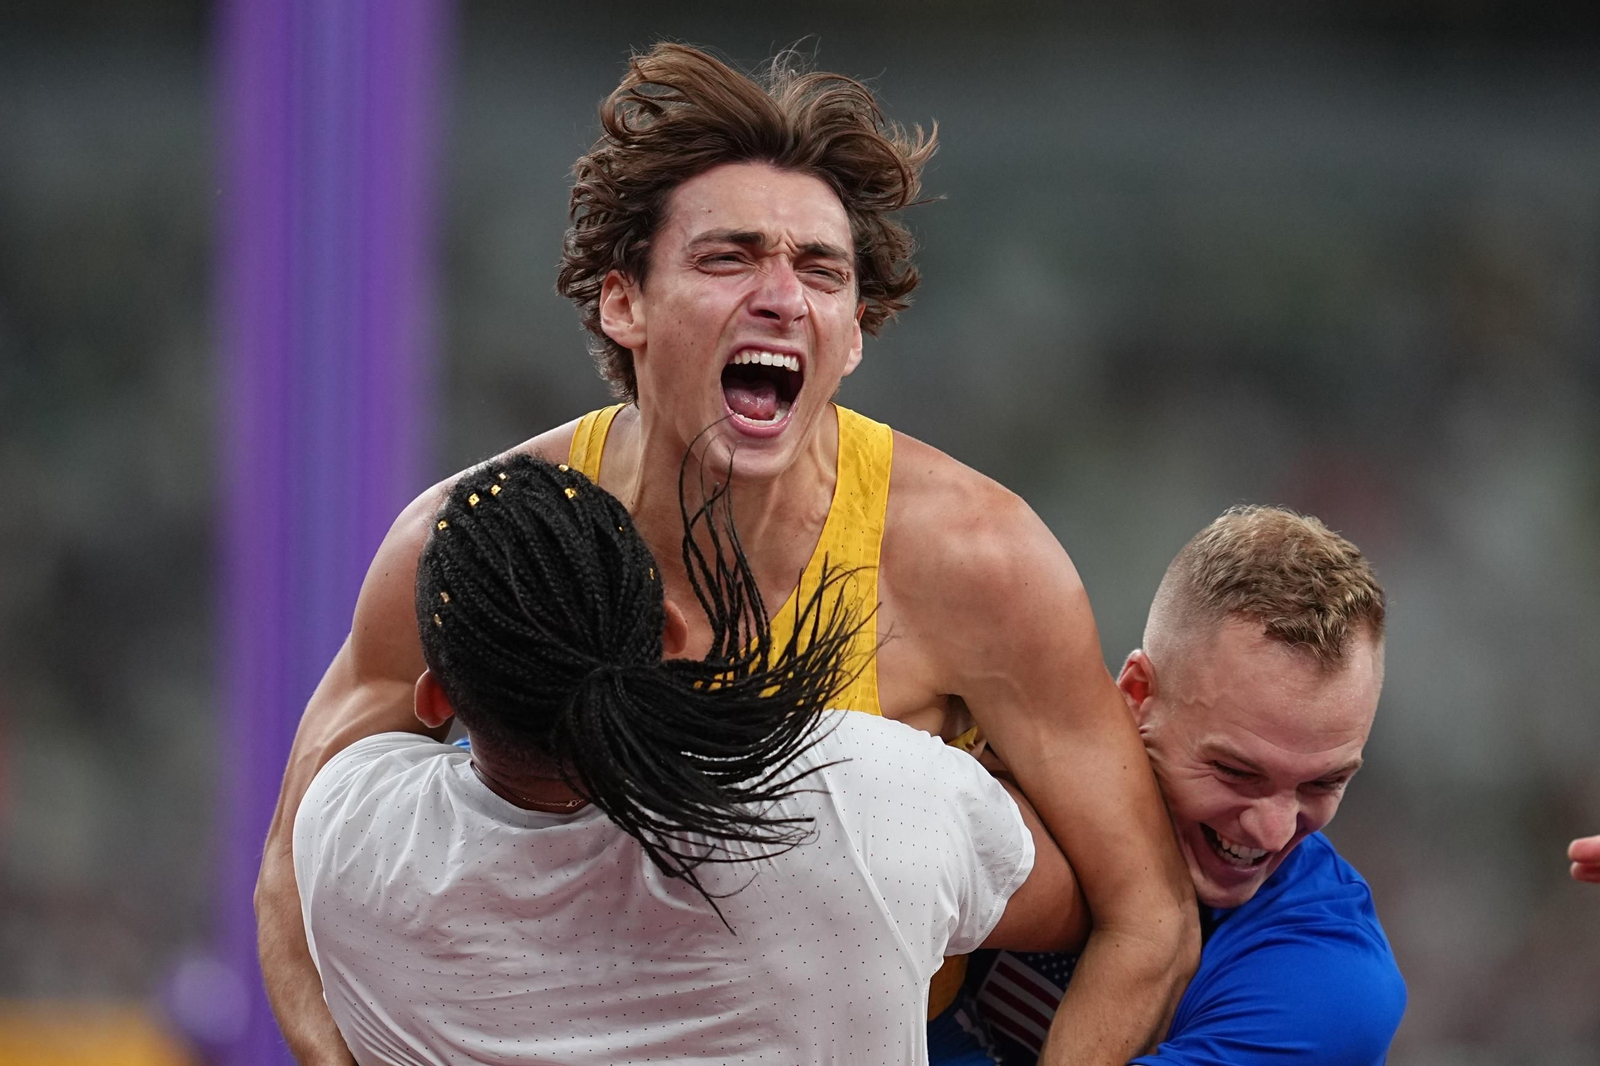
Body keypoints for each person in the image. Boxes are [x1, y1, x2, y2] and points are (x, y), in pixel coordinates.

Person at [256, 43, 1196, 1066]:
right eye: (728, 256)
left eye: (820, 271)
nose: (783, 296)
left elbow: (1147, 916)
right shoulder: (477, 554)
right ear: (626, 302)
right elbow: (287, 873)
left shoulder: (976, 560)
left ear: (851, 335)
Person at [294, 453, 1089, 1064]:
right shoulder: (868, 797)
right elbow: (1064, 896)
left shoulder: (342, 838)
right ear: (673, 633)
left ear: (436, 702)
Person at [966, 506, 1407, 1065]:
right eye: (1236, 771)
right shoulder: (978, 742)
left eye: (1324, 782)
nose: (1272, 831)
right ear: (1136, 694)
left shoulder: (1329, 988)